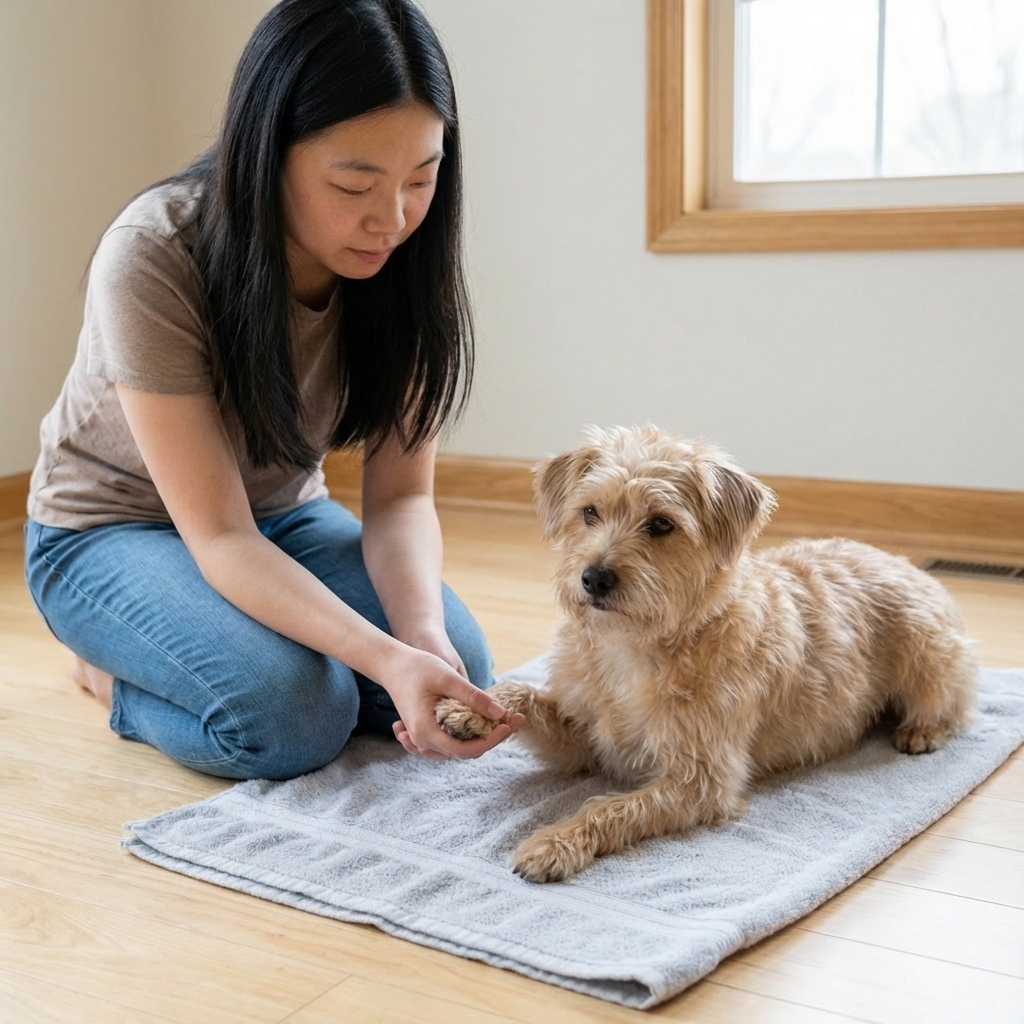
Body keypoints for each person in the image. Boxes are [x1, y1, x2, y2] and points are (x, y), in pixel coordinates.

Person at [23, 0, 522, 780]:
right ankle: (112, 676)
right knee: (294, 718)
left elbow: (401, 501)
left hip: (280, 518)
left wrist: (416, 637)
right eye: (354, 184)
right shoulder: (154, 254)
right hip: (107, 533)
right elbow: (219, 536)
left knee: (461, 668)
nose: (390, 219)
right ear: (268, 151)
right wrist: (379, 656)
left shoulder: (406, 268)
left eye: (420, 179)